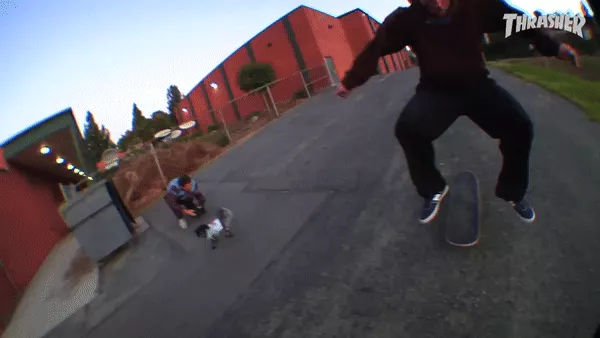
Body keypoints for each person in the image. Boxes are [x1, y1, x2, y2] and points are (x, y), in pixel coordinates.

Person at [337, 0, 581, 224]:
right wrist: (351, 80)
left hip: (478, 86)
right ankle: (433, 188)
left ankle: (512, 192)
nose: (439, 5)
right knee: (408, 129)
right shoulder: (408, 18)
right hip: (437, 92)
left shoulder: (477, 5)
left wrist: (555, 47)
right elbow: (376, 47)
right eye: (432, 2)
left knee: (519, 126)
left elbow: (521, 22)